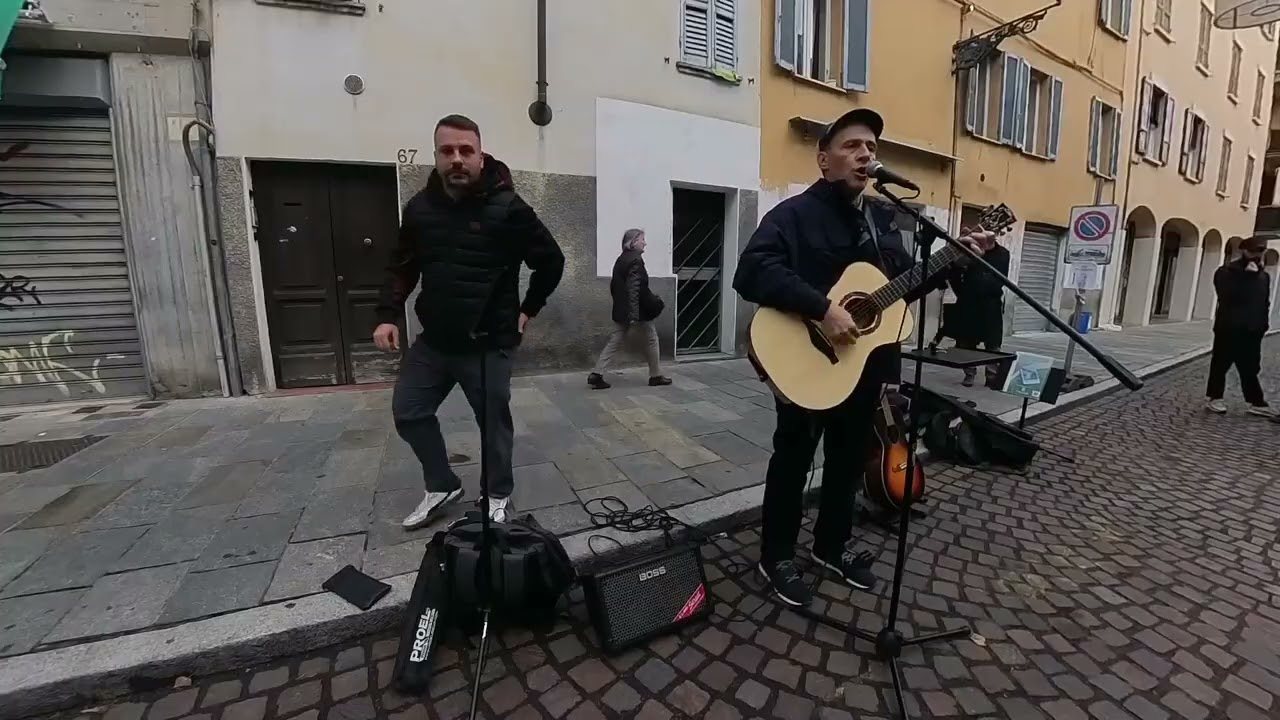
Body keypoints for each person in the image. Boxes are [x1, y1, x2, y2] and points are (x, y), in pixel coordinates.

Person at [733, 107, 992, 607]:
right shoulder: (793, 215)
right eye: (852, 145)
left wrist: (952, 259)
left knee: (848, 461)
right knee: (793, 461)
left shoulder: (880, 220)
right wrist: (822, 308)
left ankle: (831, 545)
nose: (865, 154)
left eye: (871, 147)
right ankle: (776, 555)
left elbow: (898, 290)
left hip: (864, 367)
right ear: (824, 159)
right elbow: (752, 271)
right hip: (806, 360)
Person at [374, 114, 565, 529]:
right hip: (435, 341)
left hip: (489, 341)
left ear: (481, 155)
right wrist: (388, 315)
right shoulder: (420, 209)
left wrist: (528, 309)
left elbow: (551, 261)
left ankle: (497, 493)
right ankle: (442, 484)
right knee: (409, 411)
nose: (457, 159)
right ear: (436, 156)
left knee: (493, 424)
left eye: (466, 150)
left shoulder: (508, 208)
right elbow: (402, 266)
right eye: (447, 151)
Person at [587, 228, 672, 389]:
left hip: (624, 309)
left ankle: (597, 373)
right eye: (642, 239)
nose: (645, 243)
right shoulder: (635, 260)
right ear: (633, 242)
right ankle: (655, 376)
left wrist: (623, 309)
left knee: (616, 339)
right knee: (652, 339)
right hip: (638, 311)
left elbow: (615, 287)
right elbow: (634, 289)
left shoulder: (621, 259)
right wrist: (633, 315)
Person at [1205, 236, 1272, 417]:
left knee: (1250, 368)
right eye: (1253, 251)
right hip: (1229, 328)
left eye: (1260, 251)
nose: (1257, 255)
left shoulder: (1264, 277)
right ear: (1244, 251)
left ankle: (1256, 402)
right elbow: (1227, 296)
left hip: (1253, 331)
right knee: (1220, 364)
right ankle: (1215, 397)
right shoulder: (1225, 272)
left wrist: (1263, 325)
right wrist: (1247, 277)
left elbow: (1264, 303)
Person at [945, 232, 1010, 387]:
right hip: (969, 303)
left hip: (991, 303)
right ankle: (969, 373)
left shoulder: (1002, 254)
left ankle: (991, 375)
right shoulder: (969, 250)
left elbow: (1001, 278)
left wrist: (988, 288)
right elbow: (954, 273)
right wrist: (962, 292)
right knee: (967, 341)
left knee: (993, 343)